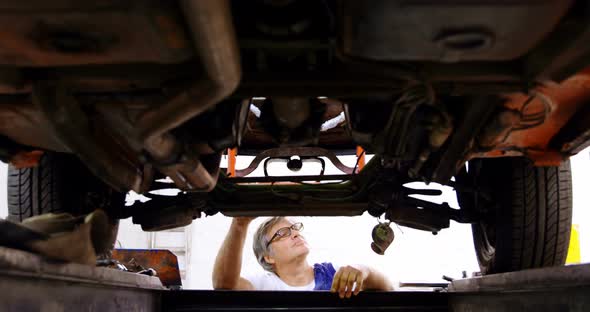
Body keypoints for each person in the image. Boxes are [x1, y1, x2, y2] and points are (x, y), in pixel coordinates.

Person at [212, 216, 394, 298]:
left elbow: (389, 287)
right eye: (283, 233)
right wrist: (239, 223)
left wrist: (365, 271)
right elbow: (223, 284)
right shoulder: (261, 285)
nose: (295, 234)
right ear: (268, 257)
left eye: (295, 228)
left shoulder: (333, 274)